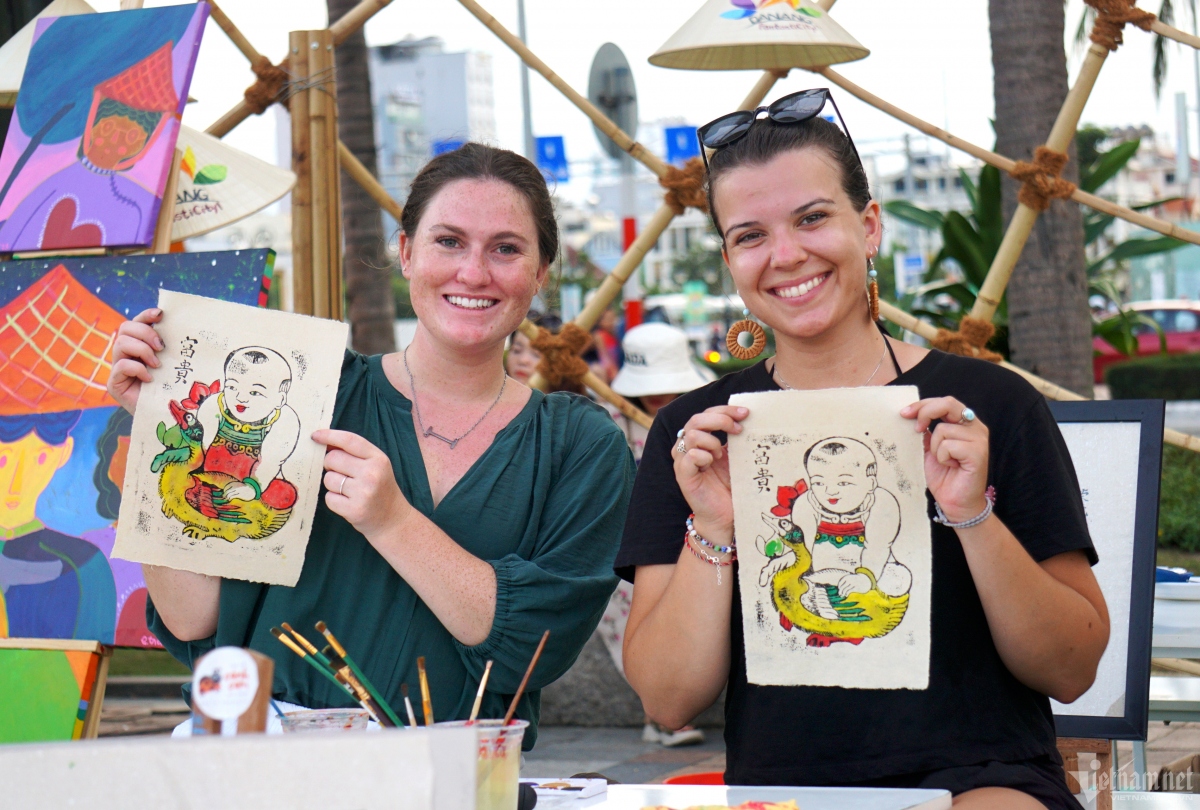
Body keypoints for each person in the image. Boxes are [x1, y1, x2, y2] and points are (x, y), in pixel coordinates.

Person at [616, 90, 1109, 809]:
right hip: (780, 792)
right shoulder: (700, 435)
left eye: (813, 218)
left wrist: (971, 514)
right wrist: (716, 529)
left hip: (981, 786)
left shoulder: (988, 408)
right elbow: (667, 699)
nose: (787, 255)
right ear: (729, 259)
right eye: (751, 235)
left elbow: (1071, 668)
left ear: (869, 226)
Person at [108, 143, 635, 744]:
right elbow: (193, 619)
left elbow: (531, 653)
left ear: (541, 273)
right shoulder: (309, 392)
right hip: (263, 770)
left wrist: (391, 521)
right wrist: (154, 428)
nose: (473, 272)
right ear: (406, 253)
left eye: (506, 249)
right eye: (448, 241)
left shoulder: (579, 444)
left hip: (458, 783)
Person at [599, 322, 713, 747]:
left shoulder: (709, 410)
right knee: (627, 602)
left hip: (704, 534)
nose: (657, 397)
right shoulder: (613, 419)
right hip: (640, 541)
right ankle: (660, 713)